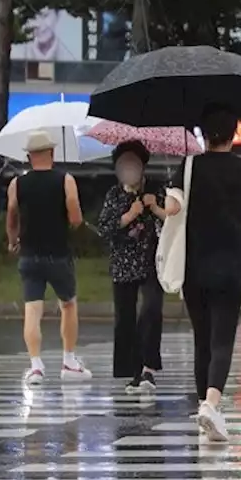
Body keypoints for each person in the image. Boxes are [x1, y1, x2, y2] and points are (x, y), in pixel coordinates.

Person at [166, 106, 241, 440]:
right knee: (222, 339)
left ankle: (205, 404)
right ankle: (212, 405)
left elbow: (174, 207)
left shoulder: (187, 166)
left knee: (201, 339)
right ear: (234, 134)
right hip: (230, 265)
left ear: (203, 135)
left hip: (194, 266)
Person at [6, 130, 91, 385]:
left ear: (30, 157)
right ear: (52, 153)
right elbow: (75, 217)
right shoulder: (65, 180)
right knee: (68, 304)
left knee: (32, 310)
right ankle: (69, 361)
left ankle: (35, 367)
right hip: (58, 254)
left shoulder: (17, 184)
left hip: (29, 256)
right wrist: (74, 222)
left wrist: (13, 240)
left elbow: (11, 216)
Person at [98, 140, 168, 393]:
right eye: (123, 164)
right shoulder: (114, 195)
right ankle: (129, 369)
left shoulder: (157, 190)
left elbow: (172, 220)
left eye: (133, 163)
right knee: (124, 318)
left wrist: (154, 206)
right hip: (123, 262)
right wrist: (130, 214)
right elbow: (104, 229)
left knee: (151, 310)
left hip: (152, 261)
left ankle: (148, 367)